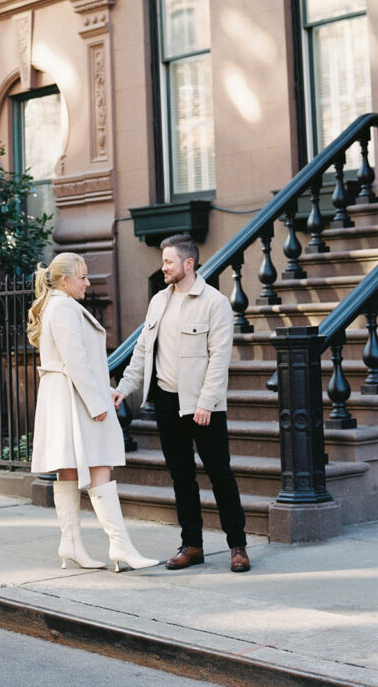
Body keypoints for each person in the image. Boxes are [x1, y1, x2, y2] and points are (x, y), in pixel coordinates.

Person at [112, 234, 250, 573]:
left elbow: (219, 358)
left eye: (169, 262)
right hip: (166, 401)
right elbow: (144, 350)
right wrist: (124, 387)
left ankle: (238, 546)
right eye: (164, 262)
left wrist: (206, 402)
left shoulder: (214, 303)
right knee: (181, 476)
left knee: (220, 475)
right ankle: (192, 545)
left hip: (204, 406)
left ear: (188, 264)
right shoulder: (159, 300)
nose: (164, 268)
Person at [28, 252, 157, 572]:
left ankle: (71, 543)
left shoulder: (59, 306)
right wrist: (97, 404)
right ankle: (120, 547)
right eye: (83, 277)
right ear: (66, 280)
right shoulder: (63, 308)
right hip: (76, 397)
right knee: (99, 466)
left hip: (68, 397)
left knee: (70, 470)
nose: (88, 282)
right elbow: (77, 361)